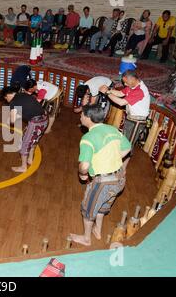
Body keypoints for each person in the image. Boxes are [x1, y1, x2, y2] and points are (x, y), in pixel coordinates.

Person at [70, 104, 131, 246]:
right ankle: (97, 230)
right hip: (119, 179)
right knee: (103, 205)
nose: (80, 116)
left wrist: (82, 174)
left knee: (88, 209)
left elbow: (84, 166)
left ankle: (86, 238)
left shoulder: (88, 138)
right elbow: (127, 147)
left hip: (103, 182)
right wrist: (112, 158)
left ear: (88, 118)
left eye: (82, 114)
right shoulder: (113, 130)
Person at [1, 86, 48, 172]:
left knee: (25, 143)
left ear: (7, 96)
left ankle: (23, 167)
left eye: (5, 99)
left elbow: (12, 120)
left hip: (36, 122)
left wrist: (9, 119)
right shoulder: (23, 95)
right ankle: (30, 159)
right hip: (44, 120)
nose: (6, 101)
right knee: (33, 140)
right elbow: (27, 109)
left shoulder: (13, 102)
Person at [99, 70, 150, 148]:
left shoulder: (139, 91)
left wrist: (107, 93)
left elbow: (121, 102)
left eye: (126, 82)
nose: (125, 84)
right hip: (131, 118)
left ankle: (122, 160)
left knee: (128, 145)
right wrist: (109, 90)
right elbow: (120, 93)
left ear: (132, 79)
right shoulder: (132, 86)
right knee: (125, 142)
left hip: (137, 121)